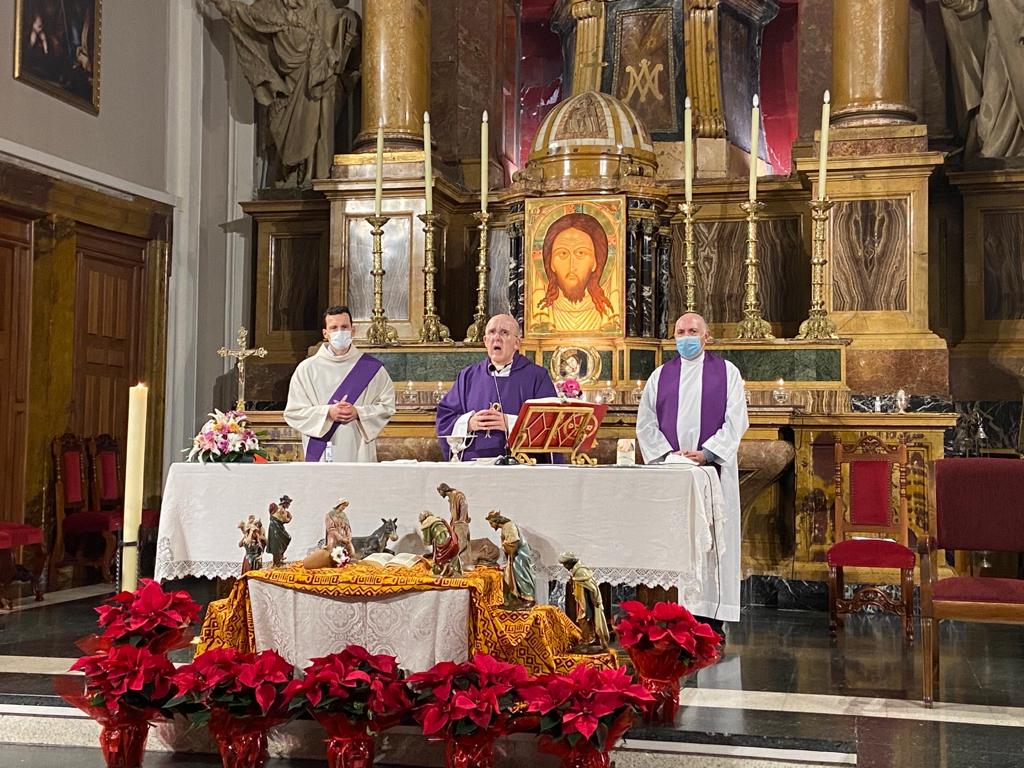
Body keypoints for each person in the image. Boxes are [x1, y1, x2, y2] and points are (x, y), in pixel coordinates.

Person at [635, 312, 749, 626]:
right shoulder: (660, 376)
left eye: (693, 331)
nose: (686, 337)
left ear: (706, 336)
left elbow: (736, 420)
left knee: (712, 545)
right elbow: (646, 424)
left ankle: (712, 619)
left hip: (712, 471)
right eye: (681, 332)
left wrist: (707, 453)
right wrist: (668, 455)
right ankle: (671, 617)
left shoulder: (727, 372)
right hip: (672, 474)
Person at [207, 0, 360, 185]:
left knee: (318, 121)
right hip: (291, 86)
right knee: (287, 131)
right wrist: (224, 5)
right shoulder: (273, 8)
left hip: (317, 81)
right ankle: (293, 172)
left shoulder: (326, 10)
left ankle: (313, 172)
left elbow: (347, 53)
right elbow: (247, 17)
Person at [435, 314, 558, 461]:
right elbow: (445, 418)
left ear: (517, 343)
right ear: (485, 341)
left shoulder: (537, 377)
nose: (496, 338)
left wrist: (511, 423)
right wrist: (468, 423)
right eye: (492, 332)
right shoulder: (468, 376)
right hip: (473, 465)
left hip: (521, 464)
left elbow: (551, 424)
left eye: (504, 333)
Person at [285, 305, 396, 462]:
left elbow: (387, 407)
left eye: (344, 327)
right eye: (334, 328)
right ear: (325, 333)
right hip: (321, 452)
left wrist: (358, 412)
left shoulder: (372, 369)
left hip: (359, 451)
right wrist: (328, 412)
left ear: (353, 330)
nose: (340, 332)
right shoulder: (307, 369)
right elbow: (294, 412)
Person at [532, 213, 620, 334]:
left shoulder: (608, 317)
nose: (571, 266)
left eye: (581, 253)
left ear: (596, 262)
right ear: (550, 263)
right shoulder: (543, 315)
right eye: (562, 253)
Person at [558, 551, 611, 651]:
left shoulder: (580, 571)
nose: (564, 566)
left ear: (570, 562)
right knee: (585, 620)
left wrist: (595, 600)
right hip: (582, 600)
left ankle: (588, 640)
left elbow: (592, 587)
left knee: (584, 620)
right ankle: (590, 639)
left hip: (587, 601)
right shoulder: (577, 570)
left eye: (565, 564)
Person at [486, 510, 535, 609]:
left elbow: (513, 541)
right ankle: (519, 598)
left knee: (522, 575)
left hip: (520, 554)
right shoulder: (505, 526)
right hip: (514, 554)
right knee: (514, 576)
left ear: (496, 521)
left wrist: (504, 545)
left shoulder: (509, 525)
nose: (491, 526)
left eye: (491, 523)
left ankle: (529, 599)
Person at [418, 510, 462, 577]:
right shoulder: (438, 520)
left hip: (441, 543)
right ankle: (455, 570)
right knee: (452, 555)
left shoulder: (426, 523)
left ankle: (444, 572)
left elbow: (427, 541)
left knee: (440, 560)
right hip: (450, 541)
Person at [266, 495, 293, 566]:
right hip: (276, 527)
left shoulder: (280, 508)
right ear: (285, 503)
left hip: (276, 526)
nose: (289, 505)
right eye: (288, 503)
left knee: (280, 542)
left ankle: (279, 558)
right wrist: (290, 517)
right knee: (278, 543)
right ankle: (277, 561)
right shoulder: (281, 510)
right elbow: (285, 520)